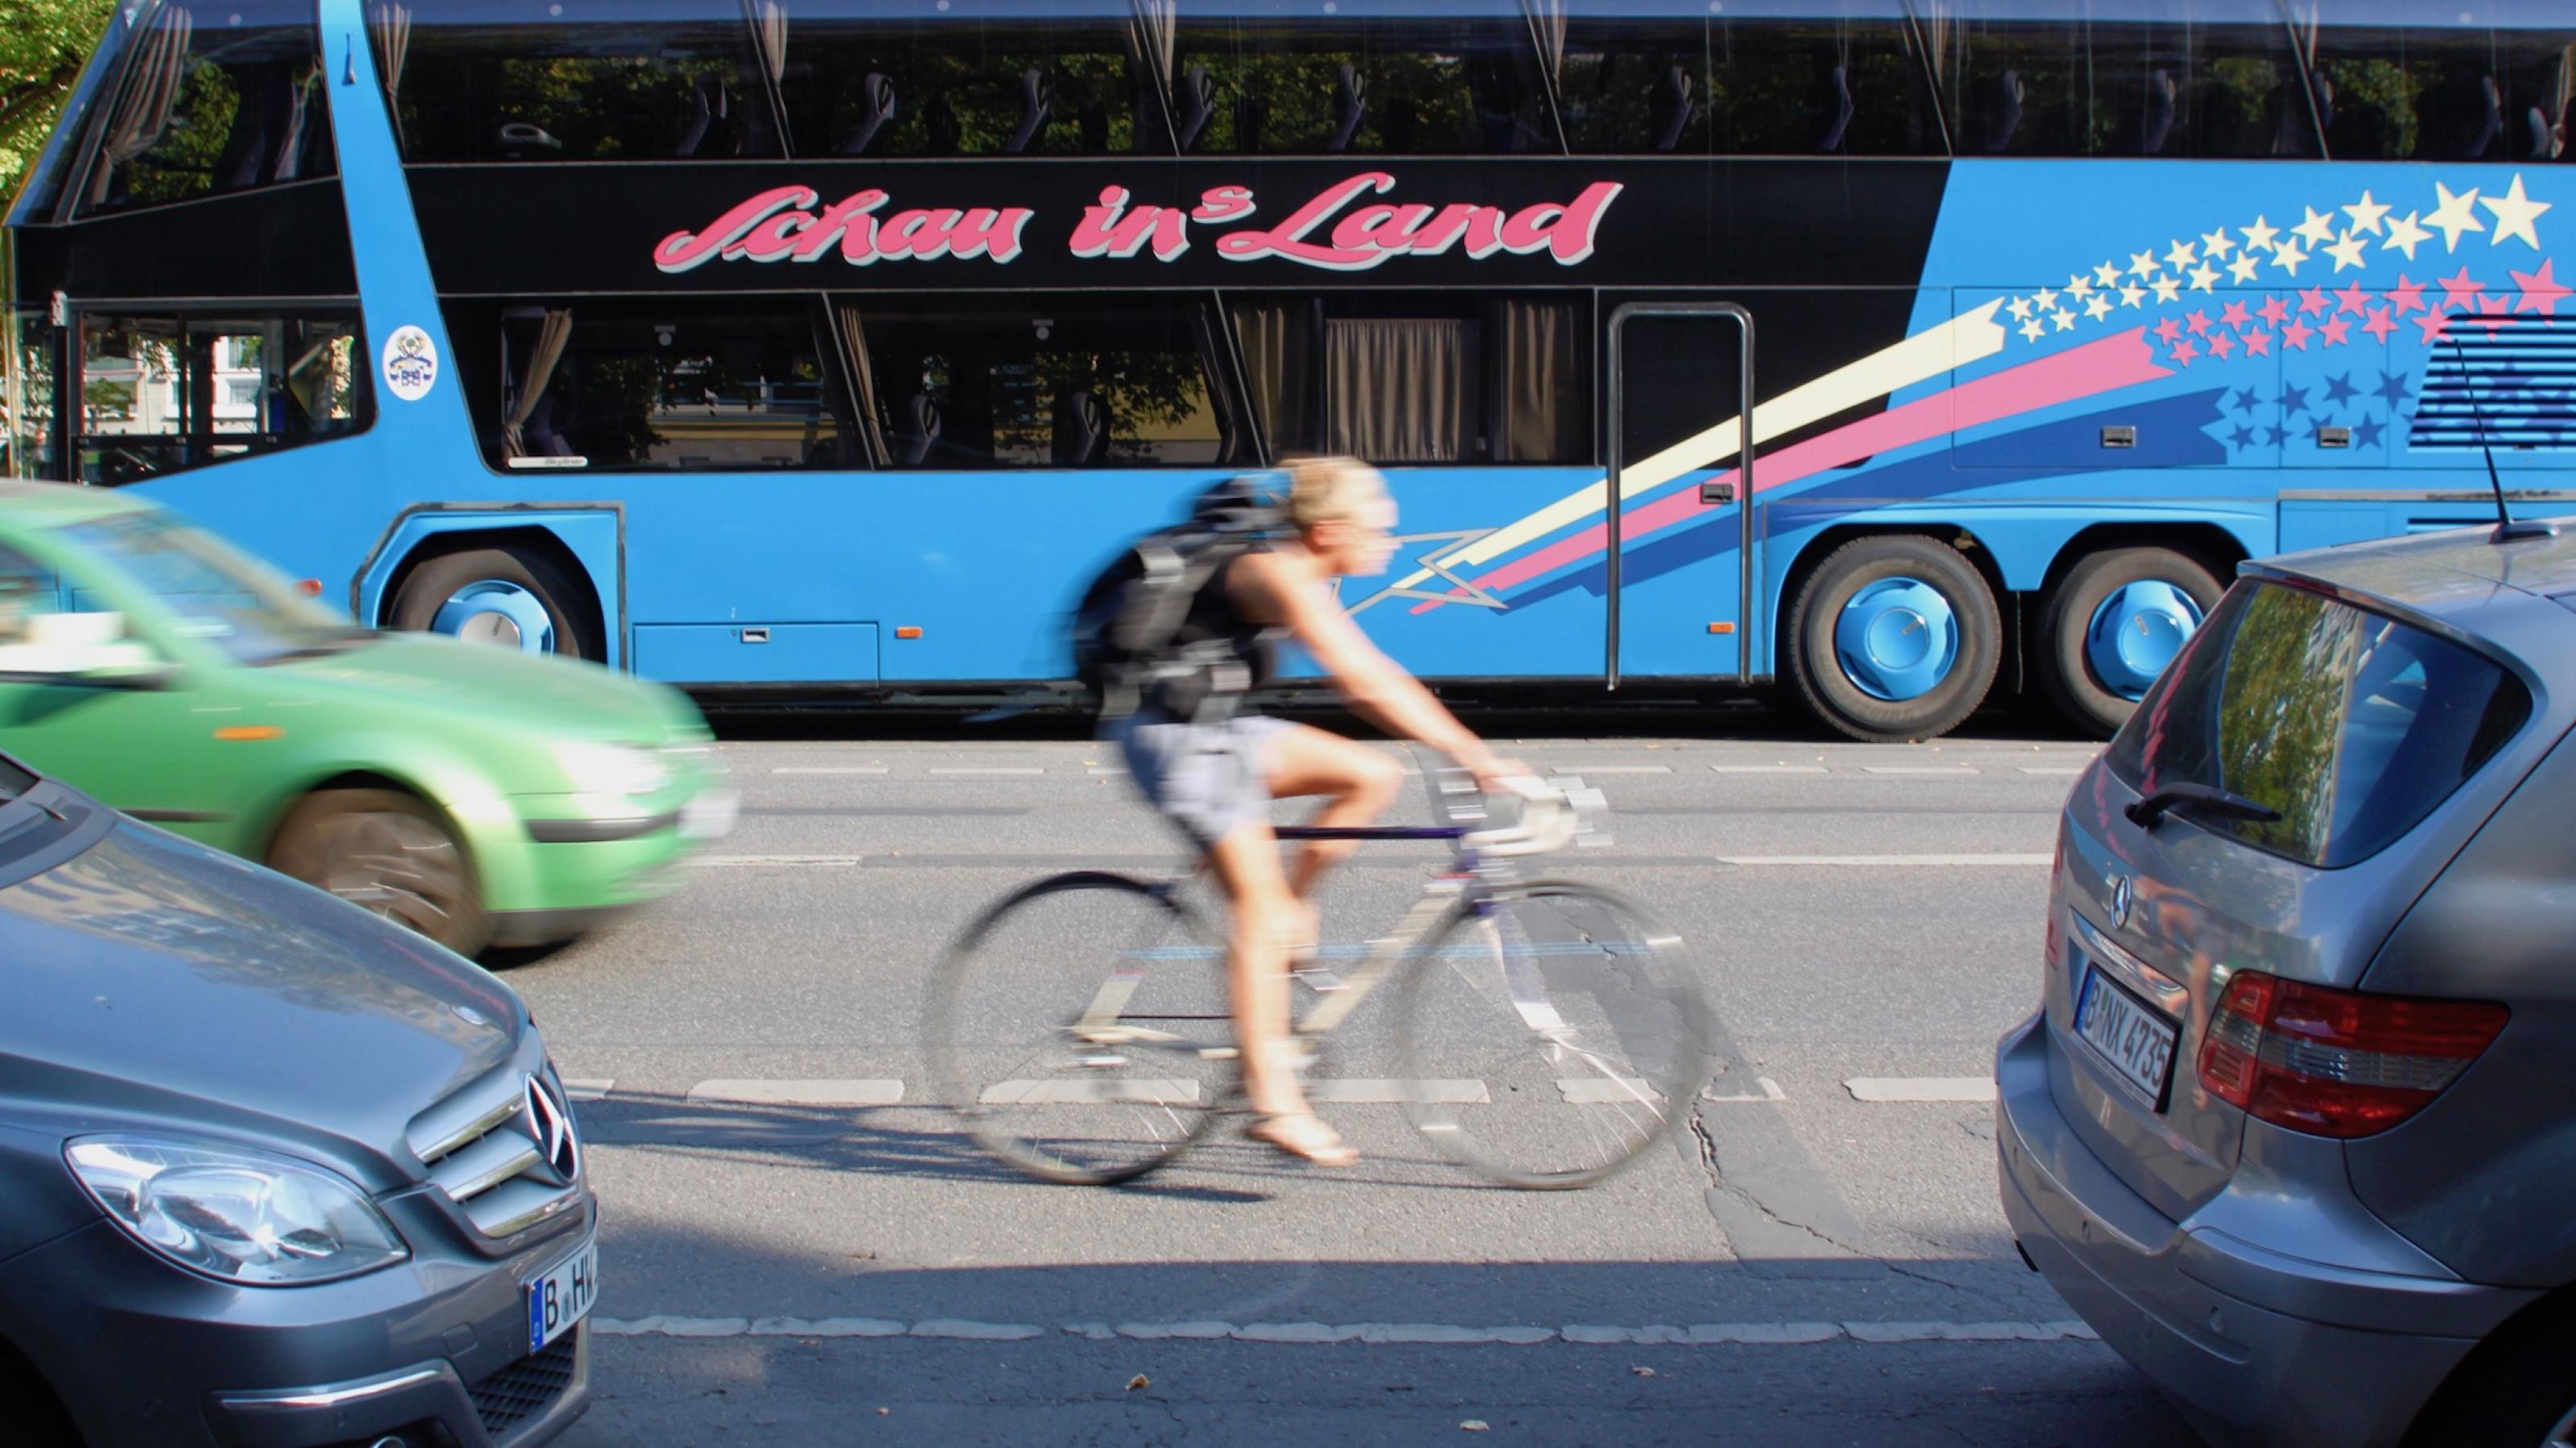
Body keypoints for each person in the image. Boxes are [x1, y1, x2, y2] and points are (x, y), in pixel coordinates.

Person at [1105, 456, 1526, 1168]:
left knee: (1371, 772)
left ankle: (1288, 915)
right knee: (1261, 916)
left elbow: (1374, 680)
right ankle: (1275, 1105)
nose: (1391, 542)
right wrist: (1473, 754)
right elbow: (1361, 676)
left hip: (1218, 726)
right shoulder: (1278, 572)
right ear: (1329, 531)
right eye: (1379, 530)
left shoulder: (1302, 568)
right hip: (1168, 736)